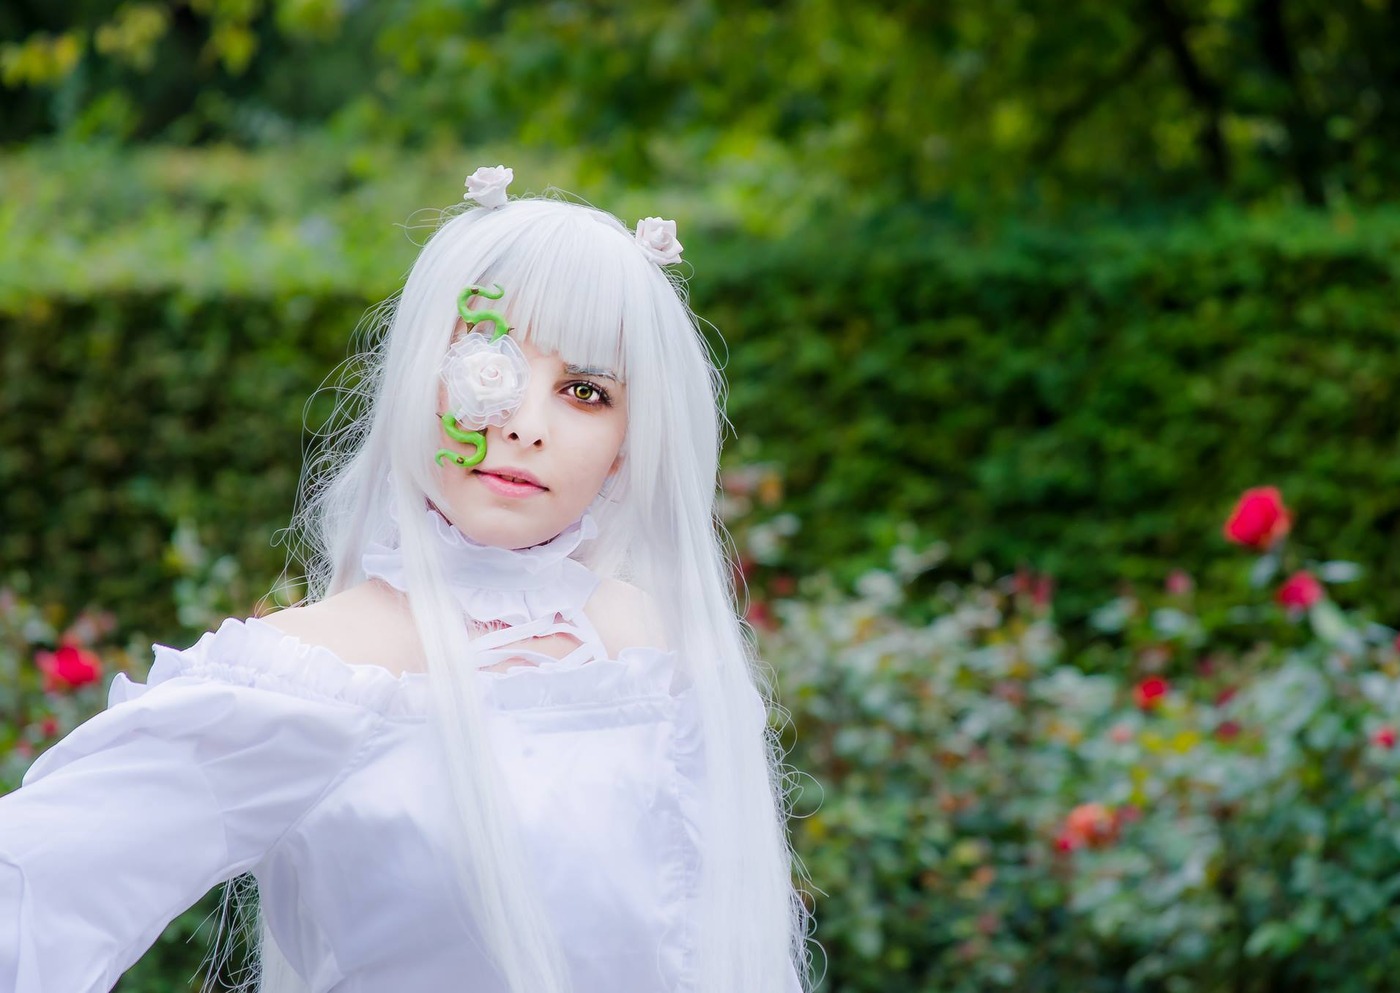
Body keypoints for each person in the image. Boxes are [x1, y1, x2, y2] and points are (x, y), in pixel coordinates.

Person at [0, 166, 812, 993]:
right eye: (492, 360)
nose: (526, 425)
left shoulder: (653, 644)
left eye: (584, 390)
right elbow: (33, 893)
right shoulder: (304, 675)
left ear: (628, 442)